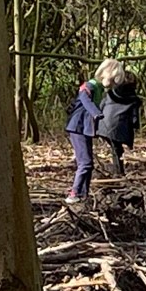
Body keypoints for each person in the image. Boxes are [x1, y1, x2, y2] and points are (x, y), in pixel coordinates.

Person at [94, 59, 141, 176]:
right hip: (117, 128)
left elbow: (101, 105)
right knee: (117, 149)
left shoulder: (110, 93)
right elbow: (134, 118)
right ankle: (118, 171)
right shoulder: (133, 100)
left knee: (116, 148)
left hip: (104, 124)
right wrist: (135, 126)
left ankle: (117, 170)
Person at [64, 76, 100, 204]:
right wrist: (96, 113)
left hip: (85, 129)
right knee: (85, 163)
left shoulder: (99, 89)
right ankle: (73, 194)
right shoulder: (89, 87)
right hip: (77, 129)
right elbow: (86, 100)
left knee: (88, 164)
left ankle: (83, 196)